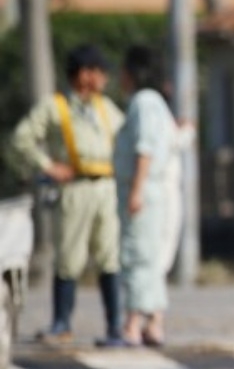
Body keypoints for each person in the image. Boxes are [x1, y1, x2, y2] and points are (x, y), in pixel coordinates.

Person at [11, 44, 127, 347]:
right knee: (69, 257)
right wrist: (47, 166)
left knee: (109, 256)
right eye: (99, 72)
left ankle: (115, 323)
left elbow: (126, 135)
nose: (104, 79)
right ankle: (62, 322)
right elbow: (22, 138)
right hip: (75, 187)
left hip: (106, 186)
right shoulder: (56, 106)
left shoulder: (106, 108)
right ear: (85, 74)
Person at [112, 45, 178, 346]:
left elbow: (145, 149)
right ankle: (154, 322)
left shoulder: (143, 102)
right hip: (153, 189)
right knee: (150, 257)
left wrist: (136, 191)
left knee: (137, 256)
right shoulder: (158, 104)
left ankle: (133, 323)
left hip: (144, 188)